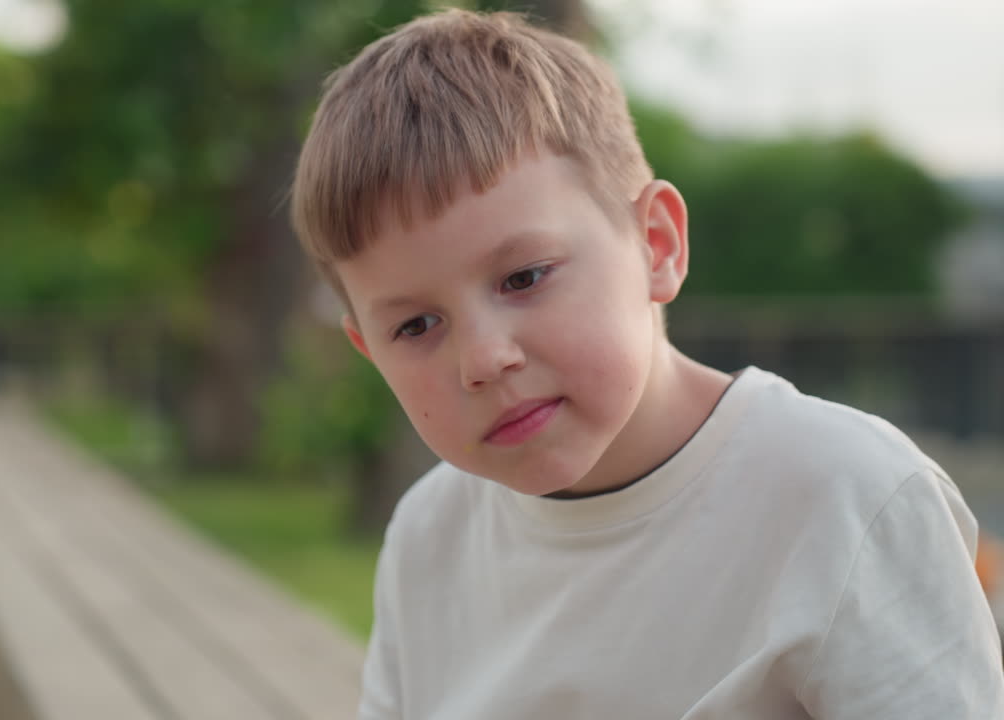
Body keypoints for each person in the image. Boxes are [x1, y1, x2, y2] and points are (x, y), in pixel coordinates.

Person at [288, 9, 1004, 719]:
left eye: (524, 277)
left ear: (655, 245)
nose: (482, 359)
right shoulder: (428, 537)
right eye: (416, 325)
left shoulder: (849, 497)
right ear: (368, 351)